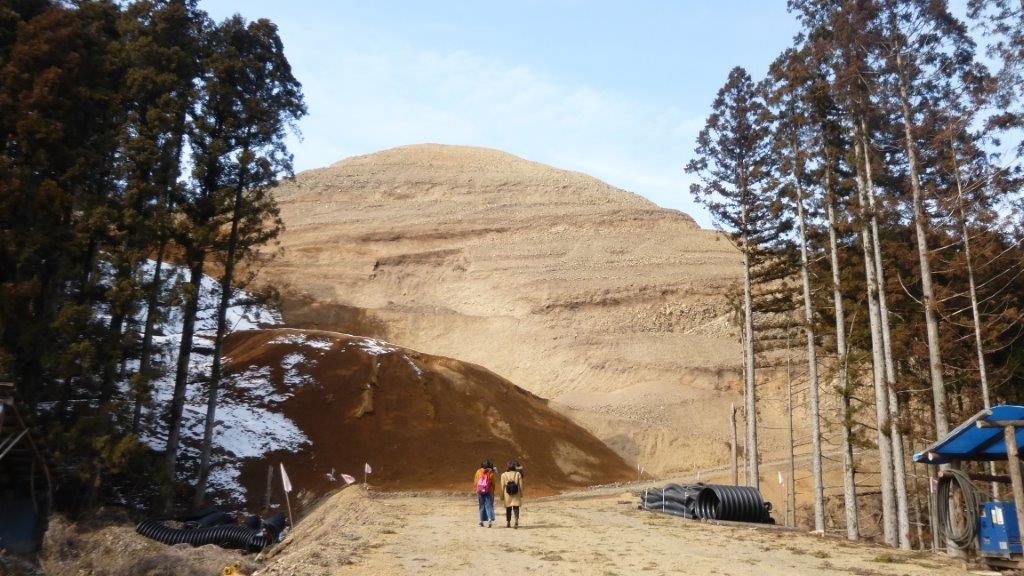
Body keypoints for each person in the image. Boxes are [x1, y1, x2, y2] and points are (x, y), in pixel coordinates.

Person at [500, 460, 524, 528]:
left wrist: (502, 496)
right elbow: (521, 485)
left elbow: (502, 486)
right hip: (516, 493)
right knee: (516, 508)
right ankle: (516, 521)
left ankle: (508, 522)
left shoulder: (503, 475)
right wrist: (521, 494)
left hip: (507, 494)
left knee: (508, 509)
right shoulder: (518, 474)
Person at [473, 459, 496, 527]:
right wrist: (493, 491)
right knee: (489, 506)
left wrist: (477, 489)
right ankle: (489, 520)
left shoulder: (478, 472)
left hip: (480, 491)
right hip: (489, 491)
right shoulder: (491, 473)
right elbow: (493, 484)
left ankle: (481, 521)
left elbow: (475, 481)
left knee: (481, 506)